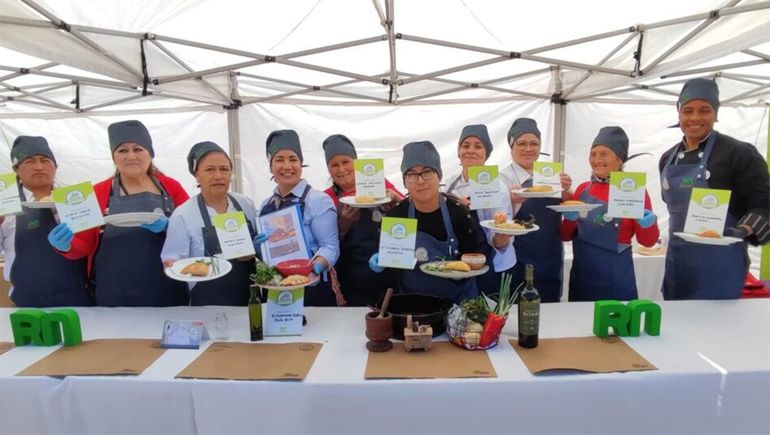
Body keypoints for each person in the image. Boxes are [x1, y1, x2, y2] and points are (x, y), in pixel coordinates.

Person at [47, 120, 190, 306]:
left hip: (167, 286)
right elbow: (84, 245)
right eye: (122, 150)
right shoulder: (95, 192)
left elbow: (192, 229)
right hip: (114, 290)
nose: (131, 156)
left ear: (150, 154)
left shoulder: (171, 187)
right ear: (114, 157)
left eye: (138, 149)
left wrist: (170, 226)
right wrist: (65, 245)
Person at [659, 78, 770, 299]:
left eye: (705, 110)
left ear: (716, 114)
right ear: (679, 114)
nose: (695, 118)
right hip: (678, 265)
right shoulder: (667, 159)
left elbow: (764, 204)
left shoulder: (739, 153)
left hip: (720, 264)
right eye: (688, 111)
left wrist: (743, 230)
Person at [369, 141, 485, 303]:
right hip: (413, 304)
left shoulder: (457, 213)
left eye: (427, 172)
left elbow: (477, 253)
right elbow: (389, 270)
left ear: (439, 176)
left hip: (458, 303)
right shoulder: (396, 216)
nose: (420, 181)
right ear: (405, 182)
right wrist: (381, 260)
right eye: (412, 174)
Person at [560, 126, 660, 301]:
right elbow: (565, 236)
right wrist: (568, 220)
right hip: (583, 278)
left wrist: (648, 224)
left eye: (604, 154)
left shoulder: (635, 192)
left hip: (616, 281)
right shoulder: (583, 190)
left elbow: (648, 242)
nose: (597, 159)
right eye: (593, 154)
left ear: (619, 159)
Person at [162, 141, 265, 305]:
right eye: (210, 169)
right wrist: (171, 264)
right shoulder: (183, 214)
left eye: (224, 169)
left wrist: (256, 250)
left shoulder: (245, 204)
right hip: (206, 304)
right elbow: (173, 258)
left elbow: (259, 246)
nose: (218, 176)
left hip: (248, 301)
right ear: (197, 175)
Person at [0, 136, 92, 307]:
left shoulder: (76, 199)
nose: (39, 167)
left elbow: (91, 245)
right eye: (29, 161)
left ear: (55, 167)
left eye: (45, 160)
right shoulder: (5, 203)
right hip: (25, 302)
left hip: (75, 300)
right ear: (16, 169)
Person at [258, 129, 340, 306]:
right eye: (279, 159)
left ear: (301, 165)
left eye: (293, 159)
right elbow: (268, 254)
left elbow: (330, 246)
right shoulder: (266, 205)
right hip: (276, 287)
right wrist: (260, 248)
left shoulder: (318, 200)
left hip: (312, 288)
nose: (287, 166)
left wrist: (318, 264)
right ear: (270, 166)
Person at [321, 134, 403, 306]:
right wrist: (344, 224)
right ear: (328, 168)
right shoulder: (326, 198)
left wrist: (395, 199)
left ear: (356, 163)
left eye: (346, 162)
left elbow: (409, 212)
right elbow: (326, 242)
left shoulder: (378, 184)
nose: (341, 169)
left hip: (389, 271)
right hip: (352, 278)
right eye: (334, 164)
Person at [500, 118, 573, 302]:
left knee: (550, 314)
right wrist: (510, 199)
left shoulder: (551, 175)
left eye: (534, 143)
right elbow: (493, 219)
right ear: (511, 147)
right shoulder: (502, 178)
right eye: (521, 143)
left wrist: (566, 190)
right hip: (516, 258)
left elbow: (569, 207)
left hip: (550, 257)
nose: (528, 148)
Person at [443, 124, 515, 295]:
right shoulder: (451, 184)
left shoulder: (498, 187)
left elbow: (500, 240)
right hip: (460, 261)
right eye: (466, 145)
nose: (471, 150)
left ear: (486, 153)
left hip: (493, 263)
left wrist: (502, 234)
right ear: (459, 152)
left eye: (478, 146)